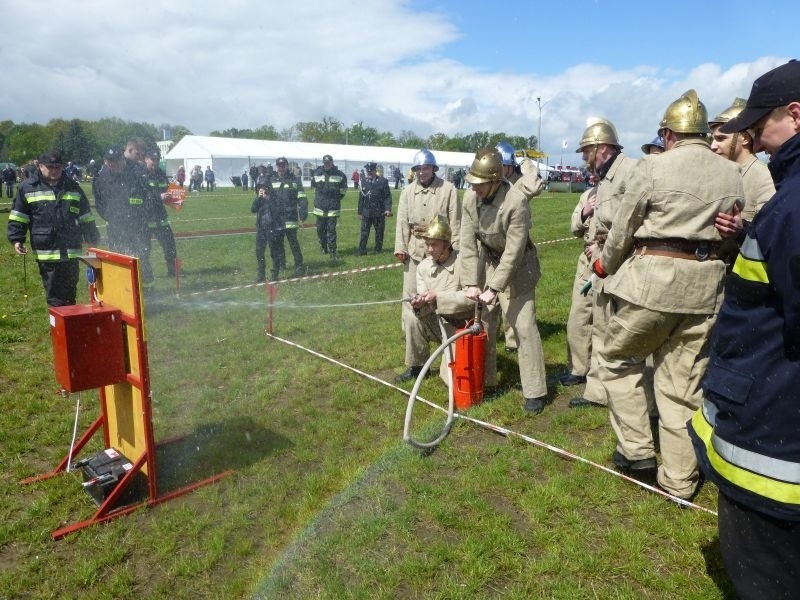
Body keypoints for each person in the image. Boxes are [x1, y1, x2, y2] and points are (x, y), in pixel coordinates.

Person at [590, 89, 743, 500]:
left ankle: (637, 450)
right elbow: (732, 232)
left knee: (615, 358)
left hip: (650, 286)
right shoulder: (731, 173)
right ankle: (678, 480)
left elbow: (624, 227)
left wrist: (605, 264)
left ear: (668, 133)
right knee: (682, 387)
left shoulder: (651, 167)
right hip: (705, 290)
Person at [689, 59, 800, 599]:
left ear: (795, 115)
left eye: (762, 122)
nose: (751, 136)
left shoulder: (795, 204)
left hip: (774, 451)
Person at [460, 148, 549, 413]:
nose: (474, 189)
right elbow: (466, 243)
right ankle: (486, 381)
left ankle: (535, 391)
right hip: (490, 262)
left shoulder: (516, 202)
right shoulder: (469, 199)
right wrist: (470, 283)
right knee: (484, 324)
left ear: (496, 181)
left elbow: (514, 252)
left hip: (519, 267)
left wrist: (495, 287)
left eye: (480, 184)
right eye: (472, 183)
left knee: (523, 326)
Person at [569, 118, 641, 411]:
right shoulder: (607, 178)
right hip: (601, 260)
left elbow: (633, 221)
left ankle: (614, 392)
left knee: (615, 329)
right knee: (598, 324)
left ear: (602, 148)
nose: (585, 160)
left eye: (587, 152)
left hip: (620, 263)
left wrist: (605, 247)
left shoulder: (630, 172)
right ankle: (597, 390)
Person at [394, 149, 460, 382]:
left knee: (440, 297)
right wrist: (400, 246)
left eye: (425, 168)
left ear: (433, 168)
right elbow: (402, 219)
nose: (422, 172)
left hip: (441, 253)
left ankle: (448, 341)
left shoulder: (448, 189)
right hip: (414, 251)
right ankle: (415, 358)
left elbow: (456, 222)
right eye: (418, 169)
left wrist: (455, 252)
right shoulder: (407, 192)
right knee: (412, 300)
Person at [7, 151, 100, 306]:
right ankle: (59, 326)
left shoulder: (73, 187)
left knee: (70, 294)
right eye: (50, 167)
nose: (54, 170)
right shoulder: (28, 188)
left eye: (58, 167)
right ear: (40, 166)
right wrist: (17, 239)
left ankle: (69, 325)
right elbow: (19, 216)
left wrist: (93, 238)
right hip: (47, 252)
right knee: (55, 295)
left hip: (71, 251)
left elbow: (86, 216)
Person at [406, 217, 478, 382]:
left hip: (462, 327)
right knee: (411, 317)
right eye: (427, 244)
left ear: (447, 244)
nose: (430, 249)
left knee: (451, 379)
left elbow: (472, 298)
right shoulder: (423, 267)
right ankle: (417, 368)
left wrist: (438, 297)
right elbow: (425, 300)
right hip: (437, 322)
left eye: (434, 245)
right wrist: (419, 303)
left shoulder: (464, 262)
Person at [93, 145, 154, 287]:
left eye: (117, 160)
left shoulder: (136, 175)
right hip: (116, 227)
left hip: (138, 226)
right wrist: (111, 218)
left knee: (141, 258)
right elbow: (100, 204)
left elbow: (148, 197)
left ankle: (148, 291)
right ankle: (126, 291)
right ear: (106, 162)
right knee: (120, 258)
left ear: (122, 159)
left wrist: (139, 217)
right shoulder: (101, 180)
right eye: (110, 161)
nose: (114, 164)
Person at [709, 97, 775, 222]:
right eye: (713, 139)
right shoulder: (715, 176)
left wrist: (740, 230)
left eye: (720, 139)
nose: (712, 146)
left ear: (745, 138)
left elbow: (766, 232)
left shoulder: (765, 177)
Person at [559, 186, 598, 389]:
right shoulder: (587, 195)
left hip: (610, 261)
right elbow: (575, 227)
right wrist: (585, 211)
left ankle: (600, 375)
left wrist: (601, 247)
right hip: (586, 264)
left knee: (604, 321)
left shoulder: (623, 189)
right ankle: (578, 368)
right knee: (578, 316)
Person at [269, 156, 307, 277]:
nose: (281, 168)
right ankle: (281, 264)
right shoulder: (272, 180)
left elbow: (301, 196)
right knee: (279, 243)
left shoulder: (295, 180)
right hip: (277, 218)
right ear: (277, 167)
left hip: (290, 216)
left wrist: (303, 210)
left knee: (293, 243)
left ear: (286, 166)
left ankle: (299, 265)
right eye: (279, 166)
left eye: (283, 165)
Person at [143, 146, 178, 277]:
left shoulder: (161, 174)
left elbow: (168, 191)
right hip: (146, 219)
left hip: (161, 217)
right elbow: (143, 196)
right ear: (146, 159)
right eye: (153, 159)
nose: (155, 162)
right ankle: (145, 275)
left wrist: (175, 197)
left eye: (157, 159)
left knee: (170, 247)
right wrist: (159, 197)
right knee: (144, 250)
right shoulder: (141, 175)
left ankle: (173, 273)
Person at [311, 154, 348, 260]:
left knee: (331, 231)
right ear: (323, 163)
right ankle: (323, 247)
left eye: (329, 163)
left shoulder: (340, 175)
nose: (327, 164)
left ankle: (333, 252)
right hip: (319, 208)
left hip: (333, 208)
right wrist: (320, 199)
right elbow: (313, 187)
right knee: (320, 229)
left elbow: (343, 190)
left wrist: (335, 199)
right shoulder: (317, 173)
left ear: (332, 163)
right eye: (325, 163)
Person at [358, 162, 392, 255]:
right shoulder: (363, 181)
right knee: (364, 232)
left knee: (379, 232)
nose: (369, 173)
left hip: (379, 212)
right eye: (368, 171)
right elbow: (361, 198)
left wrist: (387, 209)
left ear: (375, 171)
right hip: (366, 212)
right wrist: (360, 212)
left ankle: (378, 249)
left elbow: (387, 196)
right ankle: (362, 250)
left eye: (371, 171)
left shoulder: (382, 181)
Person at [251, 181, 278, 282]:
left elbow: (277, 210)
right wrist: (259, 198)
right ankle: (261, 274)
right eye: (259, 188)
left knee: (273, 252)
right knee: (259, 252)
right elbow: (253, 209)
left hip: (271, 227)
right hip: (261, 228)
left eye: (263, 187)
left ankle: (274, 273)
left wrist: (268, 199)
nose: (261, 190)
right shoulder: (259, 199)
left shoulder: (273, 197)